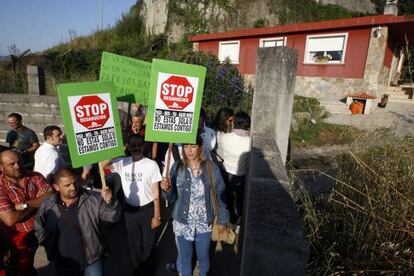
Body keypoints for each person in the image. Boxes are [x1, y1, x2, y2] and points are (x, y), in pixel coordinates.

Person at [161, 134, 229, 276]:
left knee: (203, 258)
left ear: (200, 148)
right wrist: (166, 189)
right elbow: (171, 197)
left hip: (204, 223)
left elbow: (221, 193)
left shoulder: (211, 168)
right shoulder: (177, 167)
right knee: (185, 260)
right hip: (182, 223)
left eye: (193, 146)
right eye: (186, 146)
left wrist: (223, 219)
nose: (189, 150)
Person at [35, 168, 121, 276]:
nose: (73, 187)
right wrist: (46, 243)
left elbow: (113, 217)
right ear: (57, 187)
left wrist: (110, 202)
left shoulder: (93, 199)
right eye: (67, 185)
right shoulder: (48, 204)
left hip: (91, 261)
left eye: (75, 183)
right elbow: (38, 225)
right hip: (62, 262)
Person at [104, 134, 162, 274]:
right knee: (133, 243)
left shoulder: (151, 164)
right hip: (130, 211)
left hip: (148, 210)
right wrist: (120, 149)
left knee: (149, 243)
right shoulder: (122, 162)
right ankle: (137, 269)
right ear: (129, 147)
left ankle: (149, 270)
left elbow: (155, 192)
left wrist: (157, 216)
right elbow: (103, 165)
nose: (136, 147)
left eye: (138, 145)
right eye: (133, 145)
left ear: (143, 146)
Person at [0, 150, 52, 276]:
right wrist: (39, 202)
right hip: (20, 235)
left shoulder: (35, 176)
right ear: (1, 168)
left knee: (57, 258)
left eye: (19, 162)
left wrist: (25, 205)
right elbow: (10, 219)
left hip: (46, 228)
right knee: (24, 267)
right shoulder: (1, 187)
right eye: (11, 164)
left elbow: (51, 195)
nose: (17, 166)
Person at [217, 111, 251, 225]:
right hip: (241, 174)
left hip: (226, 172)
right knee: (240, 199)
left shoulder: (224, 137)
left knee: (227, 197)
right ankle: (239, 221)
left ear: (234, 123)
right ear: (247, 125)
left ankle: (229, 220)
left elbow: (220, 155)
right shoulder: (250, 142)